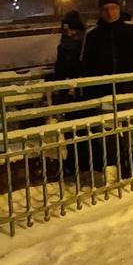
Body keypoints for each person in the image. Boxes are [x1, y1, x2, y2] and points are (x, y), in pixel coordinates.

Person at [80, 0, 133, 176]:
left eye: (113, 8)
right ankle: (116, 170)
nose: (110, 12)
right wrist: (88, 93)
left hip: (130, 91)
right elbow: (85, 65)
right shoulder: (93, 34)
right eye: (106, 9)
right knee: (108, 137)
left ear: (119, 9)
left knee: (132, 135)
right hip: (104, 93)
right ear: (100, 12)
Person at [50, 10, 86, 176]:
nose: (68, 32)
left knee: (77, 131)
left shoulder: (77, 46)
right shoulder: (66, 46)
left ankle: (76, 164)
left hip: (78, 92)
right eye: (65, 30)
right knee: (74, 131)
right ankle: (75, 164)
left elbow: (63, 70)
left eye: (70, 29)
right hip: (72, 93)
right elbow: (60, 70)